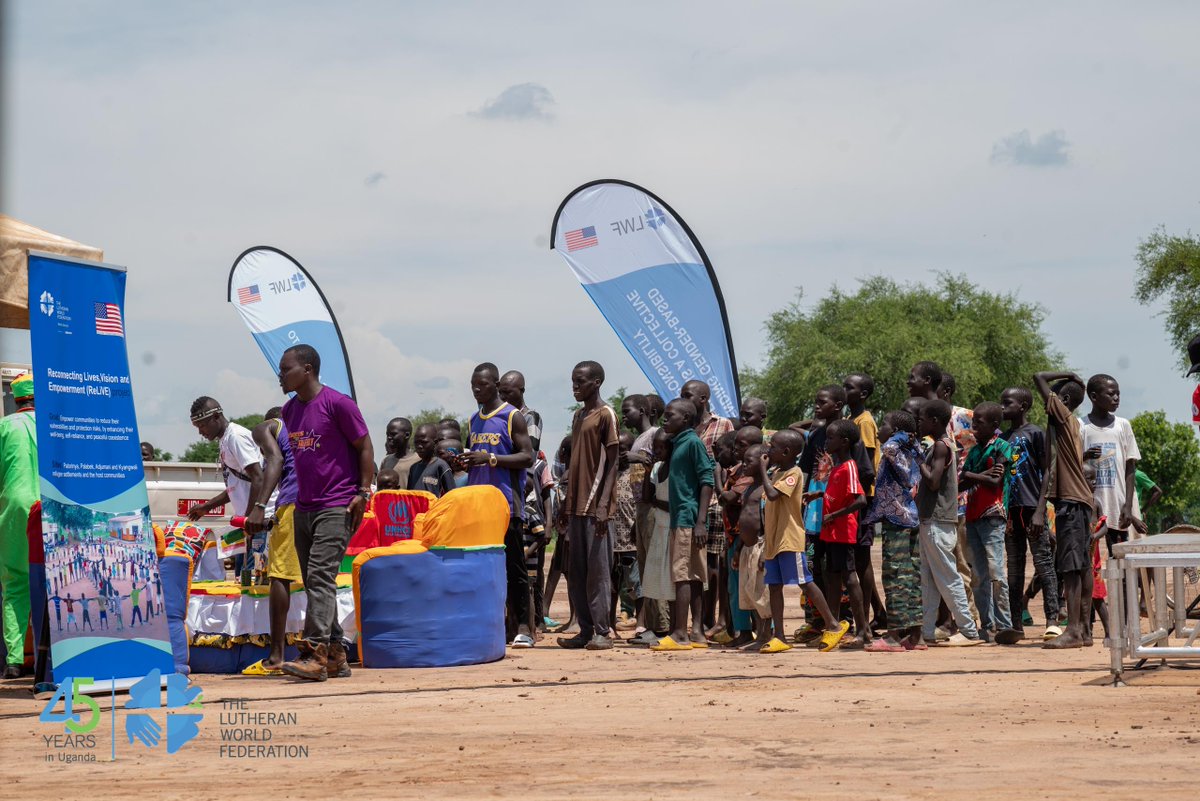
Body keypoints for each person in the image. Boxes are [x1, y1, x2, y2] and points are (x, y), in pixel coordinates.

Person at [277, 344, 375, 680]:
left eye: (285, 369)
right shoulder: (289, 412)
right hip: (304, 506)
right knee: (315, 582)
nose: (280, 376)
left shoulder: (338, 404)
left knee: (319, 577)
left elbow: (365, 446)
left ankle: (314, 654)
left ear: (307, 369)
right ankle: (335, 655)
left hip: (337, 504)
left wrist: (363, 492)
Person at [463, 362, 536, 648]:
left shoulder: (511, 416)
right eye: (472, 386)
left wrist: (491, 459)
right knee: (485, 568)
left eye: (481, 385)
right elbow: (476, 457)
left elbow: (527, 457)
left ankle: (524, 627)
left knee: (514, 567)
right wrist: (465, 460)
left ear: (494, 384)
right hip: (479, 505)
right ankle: (495, 625)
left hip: (506, 504)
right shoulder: (473, 420)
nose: (476, 390)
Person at [757, 429, 849, 653]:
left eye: (773, 446)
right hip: (774, 540)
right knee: (775, 586)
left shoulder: (794, 473)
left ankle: (833, 625)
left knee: (804, 582)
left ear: (786, 452)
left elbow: (772, 495)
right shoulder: (778, 472)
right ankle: (779, 636)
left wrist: (762, 469)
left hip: (789, 539)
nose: (769, 449)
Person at [556, 361, 620, 651]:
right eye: (573, 382)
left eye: (580, 382)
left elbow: (613, 462)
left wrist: (605, 504)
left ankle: (603, 632)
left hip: (596, 507)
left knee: (598, 572)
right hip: (575, 506)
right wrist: (564, 505)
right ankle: (585, 629)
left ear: (596, 382)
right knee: (577, 572)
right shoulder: (579, 416)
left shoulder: (605, 415)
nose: (575, 387)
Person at [1033, 371, 1093, 649]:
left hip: (1072, 502)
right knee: (1080, 567)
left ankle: (1073, 630)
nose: (1047, 403)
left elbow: (1038, 377)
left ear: (1063, 399)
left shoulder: (1064, 416)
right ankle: (1083, 631)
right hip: (1077, 502)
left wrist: (1068, 375)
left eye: (1052, 398)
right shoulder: (1068, 427)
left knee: (1071, 568)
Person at [240, 405, 302, 675]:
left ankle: (276, 656)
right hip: (320, 504)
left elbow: (275, 462)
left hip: (292, 503)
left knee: (280, 576)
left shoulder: (267, 428)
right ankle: (325, 652)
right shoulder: (305, 432)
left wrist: (258, 506)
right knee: (318, 579)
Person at [650, 399, 715, 651]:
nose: (664, 420)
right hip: (686, 518)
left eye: (670, 416)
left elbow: (706, 479)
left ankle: (680, 633)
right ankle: (696, 633)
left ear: (686, 419)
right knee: (695, 575)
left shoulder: (692, 443)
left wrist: (700, 521)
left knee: (683, 575)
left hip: (688, 519)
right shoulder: (679, 443)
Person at [916, 399, 981, 646]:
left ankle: (969, 630)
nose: (919, 423)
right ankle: (928, 630)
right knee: (930, 578)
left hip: (938, 520)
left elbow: (933, 481)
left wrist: (917, 460)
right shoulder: (940, 446)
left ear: (934, 421)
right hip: (932, 520)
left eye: (922, 419)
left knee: (948, 577)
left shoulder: (942, 447)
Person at [187, 397, 267, 580]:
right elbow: (237, 486)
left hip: (258, 523)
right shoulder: (225, 440)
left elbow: (258, 477)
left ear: (216, 417)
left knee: (256, 584)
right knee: (243, 580)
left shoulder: (236, 437)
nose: (200, 432)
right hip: (249, 524)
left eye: (202, 425)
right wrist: (207, 506)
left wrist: (249, 519)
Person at [806, 419, 870, 649]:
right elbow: (839, 496)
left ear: (843, 442)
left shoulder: (850, 467)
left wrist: (834, 516)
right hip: (831, 532)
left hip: (842, 532)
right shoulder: (837, 467)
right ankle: (832, 626)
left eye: (831, 438)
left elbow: (860, 500)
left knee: (849, 578)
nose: (826, 441)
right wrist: (819, 497)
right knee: (833, 576)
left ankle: (863, 632)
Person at [960, 402, 1020, 644]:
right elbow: (964, 481)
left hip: (993, 515)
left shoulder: (1003, 447)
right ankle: (987, 624)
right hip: (973, 516)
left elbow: (995, 481)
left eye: (979, 423)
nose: (974, 427)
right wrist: (975, 476)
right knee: (979, 575)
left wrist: (970, 476)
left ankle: (1005, 624)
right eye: (973, 423)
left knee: (996, 572)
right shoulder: (975, 451)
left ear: (995, 424)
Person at [864, 410, 923, 652]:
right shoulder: (913, 448)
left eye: (884, 424)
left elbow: (889, 448)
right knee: (913, 575)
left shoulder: (892, 448)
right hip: (910, 516)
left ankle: (893, 637)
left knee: (896, 575)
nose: (879, 429)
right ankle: (916, 637)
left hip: (896, 518)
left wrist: (900, 437)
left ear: (897, 431)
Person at [680, 379, 734, 640]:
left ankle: (713, 620)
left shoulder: (722, 425)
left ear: (703, 399)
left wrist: (723, 492)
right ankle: (697, 621)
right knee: (691, 565)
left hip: (714, 503)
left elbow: (728, 462)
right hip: (687, 504)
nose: (683, 398)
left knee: (714, 564)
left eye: (687, 395)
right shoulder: (681, 426)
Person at [1000, 386, 1054, 637]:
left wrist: (1041, 510)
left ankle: (1052, 620)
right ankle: (1015, 623)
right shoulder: (1003, 437)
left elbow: (1048, 471)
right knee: (1014, 567)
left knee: (1043, 563)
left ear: (1022, 406)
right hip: (1011, 511)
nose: (1003, 407)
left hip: (1033, 507)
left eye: (1007, 403)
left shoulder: (1035, 434)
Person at [622, 393, 667, 643]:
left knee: (654, 566)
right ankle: (651, 624)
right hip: (641, 507)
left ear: (641, 410)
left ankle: (661, 626)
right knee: (644, 566)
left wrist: (635, 458)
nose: (624, 416)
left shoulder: (653, 435)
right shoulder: (640, 438)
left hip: (653, 506)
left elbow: (659, 463)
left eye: (627, 411)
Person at [0, 372, 37, 678]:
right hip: (51, 509)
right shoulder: (55, 425)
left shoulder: (4, 426)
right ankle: (50, 657)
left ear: (16, 400)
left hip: (13, 511)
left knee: (14, 584)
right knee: (56, 582)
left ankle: (14, 661)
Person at [1079, 374, 1141, 556]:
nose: (1116, 398)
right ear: (1093, 397)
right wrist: (1085, 455)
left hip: (1117, 503)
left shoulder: (1123, 425)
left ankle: (1124, 587)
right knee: (1088, 557)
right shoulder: (1081, 425)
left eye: (1118, 394)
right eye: (1111, 394)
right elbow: (1071, 463)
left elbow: (1130, 467)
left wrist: (1128, 505)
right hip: (1090, 503)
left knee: (1120, 557)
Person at [844, 372, 886, 632]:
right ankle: (879, 612)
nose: (844, 389)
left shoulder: (865, 422)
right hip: (855, 494)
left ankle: (872, 614)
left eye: (849, 387)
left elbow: (867, 463)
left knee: (862, 558)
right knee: (858, 558)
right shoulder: (850, 420)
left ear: (863, 394)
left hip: (864, 495)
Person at [735, 444, 772, 649]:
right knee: (751, 594)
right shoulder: (749, 487)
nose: (744, 465)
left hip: (760, 546)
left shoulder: (765, 490)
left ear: (763, 460)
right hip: (747, 548)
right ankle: (759, 636)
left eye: (749, 461)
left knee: (762, 595)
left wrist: (766, 551)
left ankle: (766, 636)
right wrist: (739, 549)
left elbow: (768, 522)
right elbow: (744, 519)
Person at [610, 433, 641, 633]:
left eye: (625, 448)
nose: (620, 452)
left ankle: (642, 623)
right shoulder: (609, 473)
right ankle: (610, 624)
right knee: (612, 584)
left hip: (632, 540)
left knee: (636, 584)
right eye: (617, 447)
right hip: (611, 541)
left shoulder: (637, 474)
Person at [498, 370, 543, 454]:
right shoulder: (500, 418)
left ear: (521, 390)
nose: (502, 397)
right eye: (500, 392)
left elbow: (530, 455)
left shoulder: (531, 417)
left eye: (507, 392)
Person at [406, 424, 456, 497]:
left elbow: (452, 495)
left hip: (435, 508)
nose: (419, 446)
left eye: (424, 442)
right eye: (416, 443)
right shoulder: (413, 468)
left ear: (435, 443)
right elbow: (409, 496)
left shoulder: (441, 466)